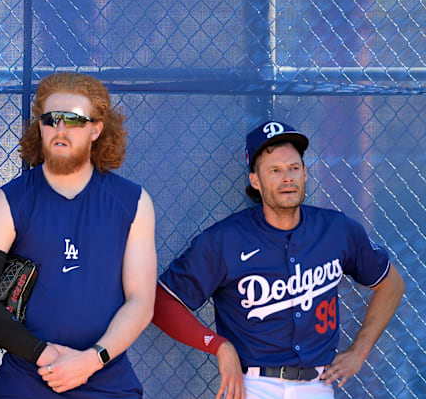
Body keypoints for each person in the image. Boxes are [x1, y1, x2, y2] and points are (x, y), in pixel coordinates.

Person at [153, 121, 405, 399]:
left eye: (294, 168)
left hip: (318, 384)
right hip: (252, 386)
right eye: (275, 170)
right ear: (255, 181)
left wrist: (360, 350)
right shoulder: (224, 240)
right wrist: (218, 345)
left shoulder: (337, 230)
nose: (287, 178)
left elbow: (391, 284)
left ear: (305, 173)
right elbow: (162, 302)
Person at [0, 72, 157, 398]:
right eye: (51, 119)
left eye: (73, 120)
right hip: (28, 377)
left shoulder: (133, 202)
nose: (60, 129)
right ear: (40, 126)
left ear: (96, 128)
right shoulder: (8, 201)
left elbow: (141, 302)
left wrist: (93, 359)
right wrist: (45, 354)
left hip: (106, 380)